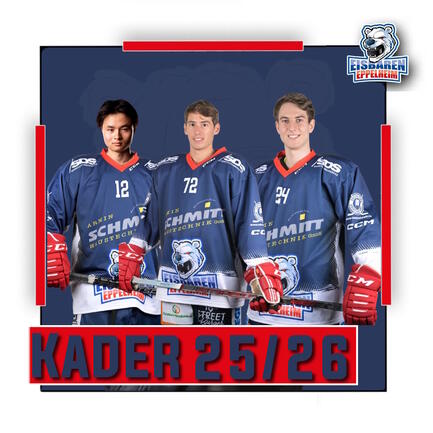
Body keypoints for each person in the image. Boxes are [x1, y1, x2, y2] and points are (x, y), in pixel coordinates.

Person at [118, 100, 282, 325]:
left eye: (204, 124)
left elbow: (249, 224)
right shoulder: (166, 169)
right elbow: (150, 219)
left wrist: (258, 268)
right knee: (174, 348)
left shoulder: (235, 169)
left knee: (217, 349)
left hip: (219, 293)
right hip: (173, 290)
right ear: (185, 128)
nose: (198, 131)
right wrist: (135, 249)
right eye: (192, 124)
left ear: (216, 128)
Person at [248, 92, 381, 326]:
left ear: (311, 125)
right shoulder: (257, 177)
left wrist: (368, 274)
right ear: (277, 126)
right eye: (285, 121)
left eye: (299, 120)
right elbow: (243, 236)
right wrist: (254, 276)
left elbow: (364, 228)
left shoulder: (338, 173)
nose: (292, 127)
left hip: (318, 316)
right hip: (265, 313)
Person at [46, 99, 160, 325]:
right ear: (101, 128)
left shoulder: (155, 174)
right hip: (93, 297)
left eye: (124, 129)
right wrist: (50, 244)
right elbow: (49, 211)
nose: (117, 136)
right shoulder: (79, 170)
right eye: (110, 129)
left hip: (145, 297)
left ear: (134, 128)